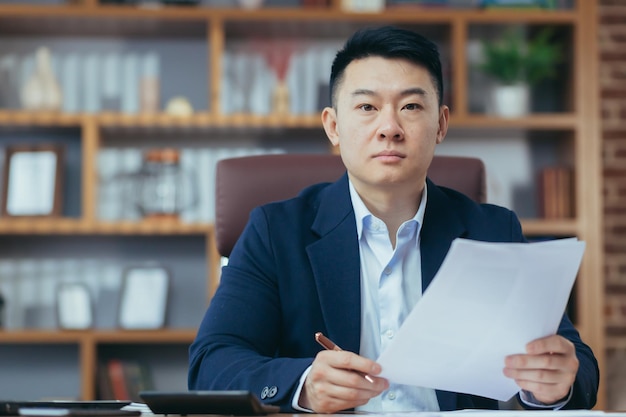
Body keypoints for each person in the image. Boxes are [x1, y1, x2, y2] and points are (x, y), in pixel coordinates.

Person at [188, 26, 598, 413]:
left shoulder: (493, 231)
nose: (390, 127)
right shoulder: (275, 233)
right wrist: (305, 384)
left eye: (411, 106)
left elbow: (577, 364)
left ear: (440, 124)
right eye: (367, 107)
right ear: (333, 126)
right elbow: (211, 364)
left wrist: (554, 383)